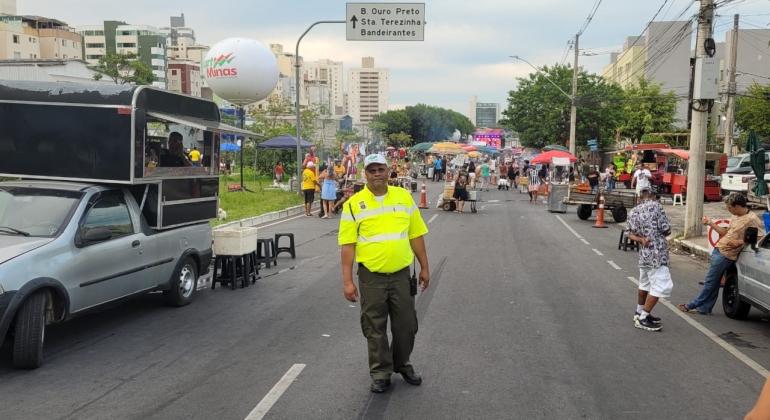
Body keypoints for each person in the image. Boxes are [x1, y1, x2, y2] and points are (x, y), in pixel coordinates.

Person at [338, 154, 430, 394]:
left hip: (401, 275)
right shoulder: (353, 204)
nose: (377, 174)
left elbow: (416, 235)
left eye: (380, 169)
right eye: (372, 170)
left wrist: (425, 267)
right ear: (365, 174)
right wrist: (347, 281)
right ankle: (381, 372)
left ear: (389, 171)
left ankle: (402, 363)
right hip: (371, 277)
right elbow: (348, 245)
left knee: (407, 325)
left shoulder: (403, 197)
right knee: (374, 326)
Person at [678, 193, 763, 315]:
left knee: (710, 282)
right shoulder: (735, 216)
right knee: (714, 282)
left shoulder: (752, 219)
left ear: (737, 206)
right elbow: (725, 232)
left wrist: (740, 242)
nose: (728, 210)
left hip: (726, 255)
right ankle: (705, 308)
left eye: (730, 207)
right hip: (719, 249)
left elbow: (760, 237)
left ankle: (692, 305)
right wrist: (711, 223)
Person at [626, 186, 672, 332]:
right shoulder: (657, 207)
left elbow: (629, 233)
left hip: (645, 253)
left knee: (644, 283)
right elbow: (667, 229)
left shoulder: (633, 211)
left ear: (640, 196)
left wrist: (641, 239)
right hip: (657, 253)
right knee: (662, 285)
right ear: (652, 196)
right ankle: (643, 318)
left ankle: (639, 311)